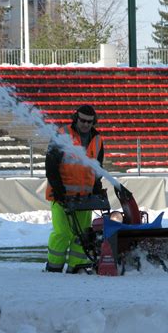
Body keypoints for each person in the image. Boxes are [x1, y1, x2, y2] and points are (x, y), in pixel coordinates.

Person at [44, 104, 104, 273]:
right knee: (62, 233)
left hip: (84, 198)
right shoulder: (62, 135)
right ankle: (54, 267)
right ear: (76, 118)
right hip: (61, 196)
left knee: (83, 235)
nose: (85, 124)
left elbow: (98, 168)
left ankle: (76, 267)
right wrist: (59, 189)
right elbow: (51, 166)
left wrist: (97, 189)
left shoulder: (98, 140)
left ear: (94, 122)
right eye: (82, 120)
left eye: (89, 122)